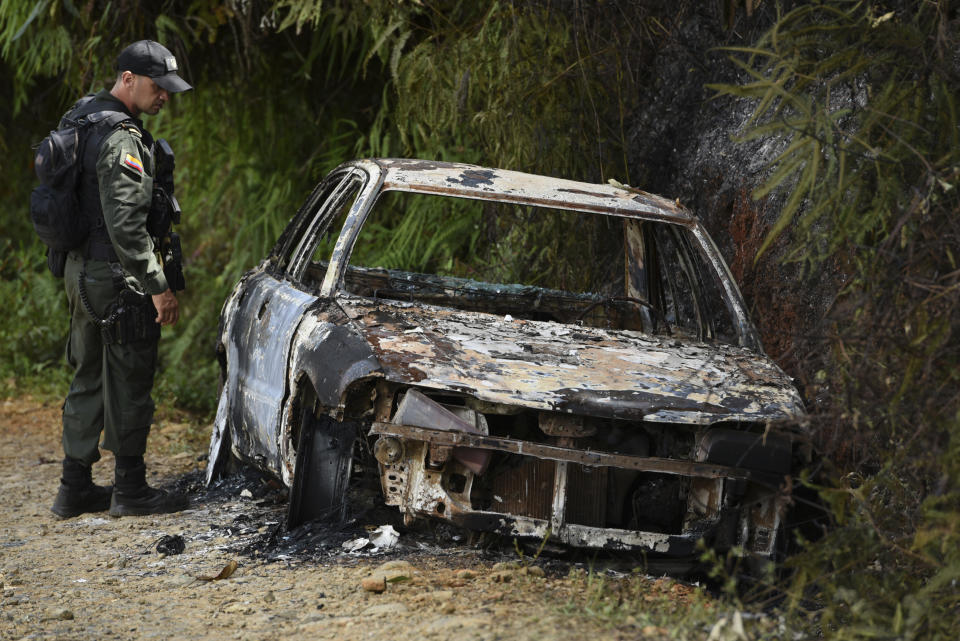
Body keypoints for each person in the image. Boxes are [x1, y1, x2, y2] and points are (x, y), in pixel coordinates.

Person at [50, 40, 193, 518]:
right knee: (130, 376)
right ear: (128, 79)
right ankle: (130, 490)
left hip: (79, 271)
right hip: (117, 277)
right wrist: (159, 287)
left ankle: (75, 488)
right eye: (158, 87)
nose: (165, 97)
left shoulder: (81, 118)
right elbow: (127, 226)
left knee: (87, 373)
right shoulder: (123, 137)